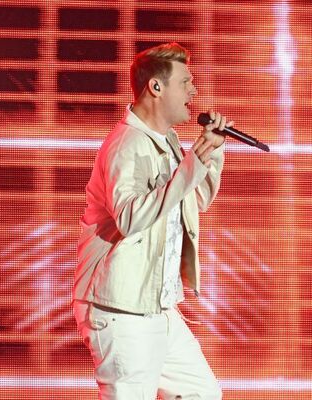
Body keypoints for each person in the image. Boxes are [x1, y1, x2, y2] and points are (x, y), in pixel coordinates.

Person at [72, 42, 231, 400]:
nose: (195, 91)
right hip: (121, 308)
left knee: (201, 393)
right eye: (186, 82)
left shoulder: (168, 140)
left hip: (157, 306)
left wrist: (212, 153)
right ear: (155, 87)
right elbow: (130, 217)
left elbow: (197, 199)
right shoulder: (126, 145)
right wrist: (191, 165)